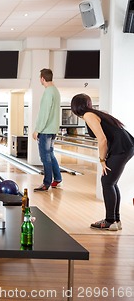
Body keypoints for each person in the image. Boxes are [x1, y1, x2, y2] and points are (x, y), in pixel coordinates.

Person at [71, 94, 134, 231]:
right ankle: (115, 220)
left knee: (107, 182)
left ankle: (110, 220)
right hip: (125, 146)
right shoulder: (94, 113)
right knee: (111, 182)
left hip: (121, 148)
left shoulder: (88, 115)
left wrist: (102, 160)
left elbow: (102, 139)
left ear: (74, 107)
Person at [32, 68, 62, 191]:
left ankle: (46, 183)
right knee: (50, 155)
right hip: (53, 129)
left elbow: (44, 113)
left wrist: (37, 130)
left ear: (42, 78)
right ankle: (58, 178)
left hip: (45, 130)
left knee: (45, 157)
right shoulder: (55, 91)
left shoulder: (48, 92)